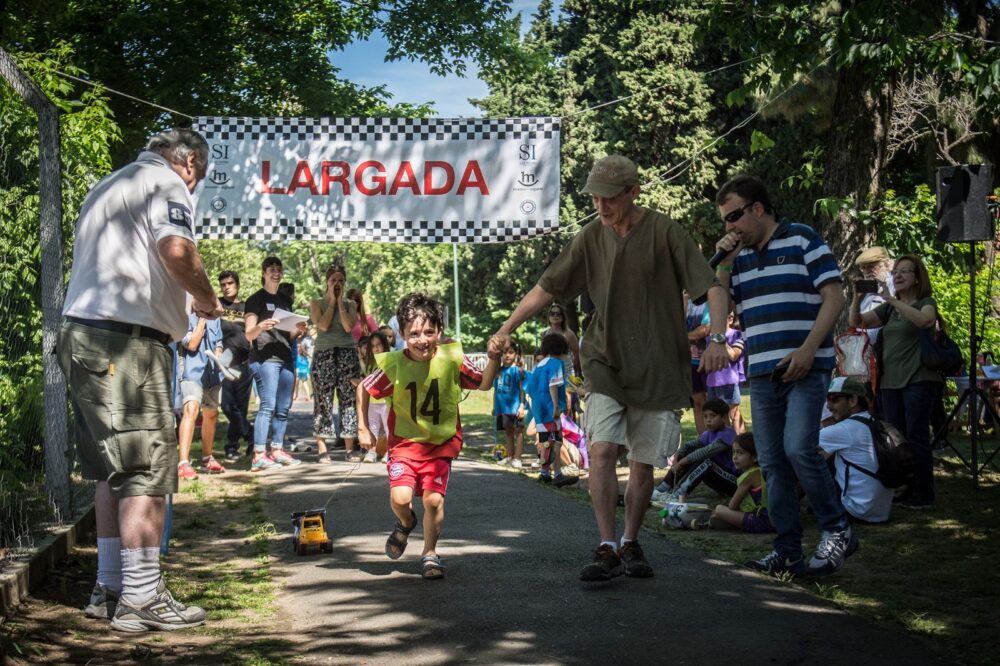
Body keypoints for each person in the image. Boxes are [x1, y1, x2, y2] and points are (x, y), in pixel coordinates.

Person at [499, 154, 730, 581]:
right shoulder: (590, 237)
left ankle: (630, 541)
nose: (601, 207)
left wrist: (717, 337)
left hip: (659, 365)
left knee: (643, 461)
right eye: (595, 199)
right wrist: (508, 325)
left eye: (609, 199)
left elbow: (711, 288)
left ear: (633, 193)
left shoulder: (665, 232)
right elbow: (547, 286)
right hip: (605, 359)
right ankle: (606, 545)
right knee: (602, 449)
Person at [58, 128, 220, 631]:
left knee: (113, 468)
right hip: (127, 342)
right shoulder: (164, 183)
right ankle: (144, 595)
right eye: (199, 180)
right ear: (188, 161)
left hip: (82, 334)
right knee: (147, 465)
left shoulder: (106, 186)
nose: (192, 190)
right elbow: (176, 250)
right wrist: (206, 300)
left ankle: (110, 586)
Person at [714, 174, 854, 577]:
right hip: (762, 370)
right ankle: (787, 548)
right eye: (725, 220)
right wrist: (722, 265)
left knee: (798, 449)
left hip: (807, 365)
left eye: (735, 216)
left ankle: (837, 529)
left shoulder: (803, 238)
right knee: (772, 461)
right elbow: (720, 299)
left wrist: (810, 349)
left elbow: (835, 296)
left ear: (759, 208)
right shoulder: (737, 257)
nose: (730, 227)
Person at [358, 293, 503, 579]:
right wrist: (364, 428)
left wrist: (494, 358)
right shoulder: (394, 363)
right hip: (404, 445)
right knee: (401, 498)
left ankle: (430, 553)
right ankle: (405, 522)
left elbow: (484, 383)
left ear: (439, 331)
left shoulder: (452, 359)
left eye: (429, 332)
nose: (422, 339)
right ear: (401, 334)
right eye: (414, 334)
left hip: (439, 445)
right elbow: (364, 387)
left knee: (434, 500)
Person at [848, 254, 942, 510]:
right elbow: (856, 323)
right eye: (897, 271)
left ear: (917, 278)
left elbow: (925, 320)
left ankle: (923, 494)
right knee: (895, 440)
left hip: (918, 379)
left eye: (905, 272)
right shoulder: (889, 308)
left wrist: (892, 299)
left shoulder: (925, 302)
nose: (898, 276)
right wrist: (856, 298)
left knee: (916, 436)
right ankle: (904, 490)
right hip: (890, 383)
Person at [244, 258, 306, 471]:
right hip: (264, 359)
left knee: (283, 407)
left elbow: (289, 335)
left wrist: (299, 330)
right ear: (263, 273)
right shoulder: (255, 300)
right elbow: (249, 333)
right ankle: (258, 454)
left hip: (286, 357)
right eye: (271, 270)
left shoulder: (284, 300)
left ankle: (277, 450)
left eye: (279, 270)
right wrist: (261, 326)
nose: (276, 273)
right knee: (267, 405)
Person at [819, 377, 894, 523]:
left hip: (855, 510)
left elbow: (799, 449)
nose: (828, 406)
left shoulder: (844, 429)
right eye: (827, 399)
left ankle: (783, 511)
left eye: (834, 399)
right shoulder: (874, 422)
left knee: (804, 459)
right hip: (880, 511)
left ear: (853, 400)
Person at [309, 266, 362, 462]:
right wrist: (331, 301)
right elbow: (322, 325)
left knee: (348, 400)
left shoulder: (350, 304)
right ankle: (322, 447)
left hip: (347, 353)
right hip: (324, 354)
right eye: (333, 280)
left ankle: (349, 448)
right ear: (327, 282)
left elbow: (348, 326)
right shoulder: (317, 302)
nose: (337, 284)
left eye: (341, 280)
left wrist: (340, 302)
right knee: (324, 399)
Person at [652, 399, 738, 503]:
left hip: (733, 483)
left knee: (706, 461)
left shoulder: (728, 434)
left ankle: (677, 496)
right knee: (690, 451)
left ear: (724, 417)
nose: (708, 420)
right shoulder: (708, 434)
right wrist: (676, 460)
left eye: (713, 416)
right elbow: (688, 446)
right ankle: (661, 489)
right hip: (717, 477)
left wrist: (682, 462)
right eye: (705, 416)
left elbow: (706, 452)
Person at [176, 313, 226, 480]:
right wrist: (203, 319)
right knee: (191, 409)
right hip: (191, 371)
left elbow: (219, 342)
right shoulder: (184, 316)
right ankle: (183, 463)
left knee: (211, 414)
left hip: (212, 372)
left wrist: (219, 351)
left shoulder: (216, 318)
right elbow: (191, 343)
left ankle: (207, 458)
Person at [524, 333, 576, 486]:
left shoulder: (539, 366)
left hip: (539, 411)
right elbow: (553, 385)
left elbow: (530, 389)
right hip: (550, 410)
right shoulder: (555, 364)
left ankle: (544, 473)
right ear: (561, 349)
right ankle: (558, 474)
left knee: (545, 441)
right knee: (557, 441)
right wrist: (555, 406)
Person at [701, 433, 774, 533]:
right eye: (734, 452)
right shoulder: (762, 471)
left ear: (755, 457)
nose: (735, 457)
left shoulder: (749, 476)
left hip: (762, 521)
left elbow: (732, 506)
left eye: (740, 453)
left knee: (719, 509)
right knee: (718, 517)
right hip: (775, 519)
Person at [218, 271, 254, 461]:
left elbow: (252, 332)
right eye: (223, 284)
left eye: (230, 283)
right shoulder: (217, 305)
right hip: (222, 364)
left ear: (237, 285)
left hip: (244, 363)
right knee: (227, 405)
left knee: (241, 406)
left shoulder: (247, 307)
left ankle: (232, 446)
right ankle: (251, 435)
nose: (227, 287)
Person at [706, 311, 746, 434]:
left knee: (734, 415)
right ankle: (727, 446)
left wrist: (719, 338)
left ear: (730, 319)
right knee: (720, 418)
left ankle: (743, 444)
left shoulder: (737, 335)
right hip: (712, 382)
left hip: (728, 381)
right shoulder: (709, 338)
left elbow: (734, 355)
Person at [356, 331, 391, 463]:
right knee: (373, 427)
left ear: (385, 345)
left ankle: (389, 451)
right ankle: (372, 451)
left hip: (386, 401)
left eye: (379, 345)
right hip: (372, 401)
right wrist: (360, 357)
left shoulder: (389, 360)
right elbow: (366, 375)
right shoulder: (371, 362)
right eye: (373, 345)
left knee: (389, 428)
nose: (376, 348)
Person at [493, 341, 527, 469]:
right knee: (508, 432)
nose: (507, 355)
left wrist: (522, 405)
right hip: (503, 408)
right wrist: (495, 406)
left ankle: (518, 458)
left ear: (516, 354)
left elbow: (522, 390)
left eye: (511, 352)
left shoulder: (518, 371)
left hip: (516, 407)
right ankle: (509, 456)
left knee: (518, 432)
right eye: (504, 353)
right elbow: (496, 390)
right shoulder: (499, 371)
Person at [854, 246, 894, 344]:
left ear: (887, 265)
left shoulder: (895, 284)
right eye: (863, 267)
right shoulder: (867, 290)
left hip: (885, 351)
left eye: (872, 266)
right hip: (865, 352)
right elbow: (856, 322)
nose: (867, 271)